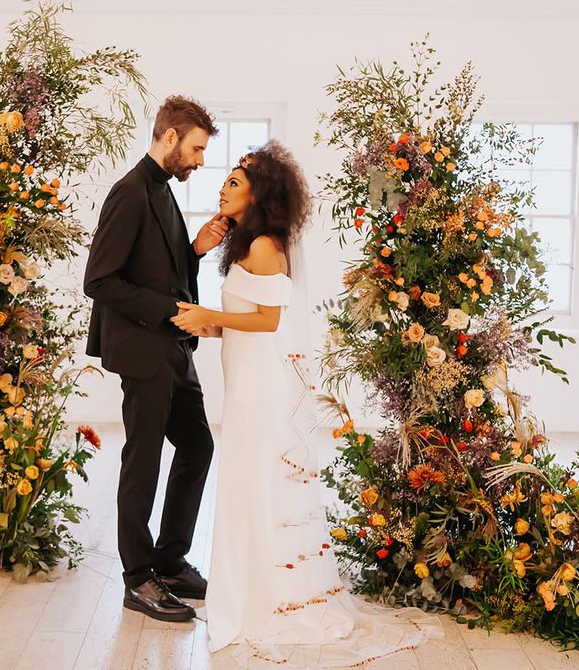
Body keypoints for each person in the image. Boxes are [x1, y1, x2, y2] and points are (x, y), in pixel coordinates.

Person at [171, 141, 441, 666]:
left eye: (235, 181)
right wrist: (214, 325)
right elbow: (254, 324)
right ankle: (249, 594)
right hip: (249, 382)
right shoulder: (246, 244)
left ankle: (267, 601)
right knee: (250, 487)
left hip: (262, 391)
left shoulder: (267, 245)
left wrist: (210, 317)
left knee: (258, 488)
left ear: (260, 193)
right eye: (226, 178)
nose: (223, 186)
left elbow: (269, 324)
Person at [83, 95, 229, 623]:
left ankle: (169, 561)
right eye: (195, 148)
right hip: (144, 351)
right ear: (169, 138)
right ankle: (138, 578)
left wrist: (195, 251)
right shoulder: (129, 193)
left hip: (172, 348)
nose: (199, 160)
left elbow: (157, 270)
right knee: (142, 462)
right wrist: (172, 310)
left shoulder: (163, 191)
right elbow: (98, 280)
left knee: (197, 444)